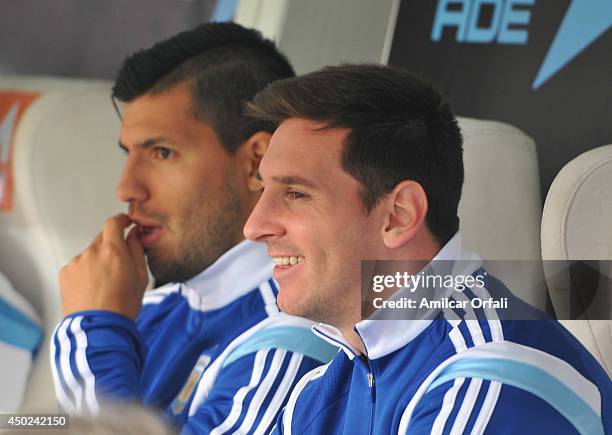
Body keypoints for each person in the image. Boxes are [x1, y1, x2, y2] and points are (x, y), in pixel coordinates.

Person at [243, 64, 611, 434]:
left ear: (399, 216)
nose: (255, 226)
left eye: (295, 194)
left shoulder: (491, 381)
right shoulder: (323, 391)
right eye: (264, 191)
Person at [50, 22, 336, 434]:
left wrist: (90, 332)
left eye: (162, 152)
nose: (126, 187)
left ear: (259, 162)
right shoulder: (139, 311)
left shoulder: (298, 331)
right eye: (130, 154)